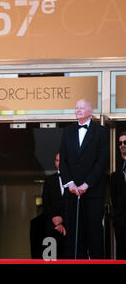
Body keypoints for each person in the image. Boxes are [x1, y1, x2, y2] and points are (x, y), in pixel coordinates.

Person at [59, 99, 109, 259]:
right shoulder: (67, 132)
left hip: (93, 193)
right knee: (74, 235)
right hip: (72, 194)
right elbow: (63, 160)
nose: (78, 110)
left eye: (81, 107)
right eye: (76, 108)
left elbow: (102, 161)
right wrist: (71, 183)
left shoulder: (102, 132)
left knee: (94, 234)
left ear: (90, 111)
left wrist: (87, 184)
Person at [42, 153, 66, 258]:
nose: (59, 163)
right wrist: (55, 218)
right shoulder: (49, 181)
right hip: (52, 228)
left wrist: (63, 219)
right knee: (51, 258)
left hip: (70, 226)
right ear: (55, 163)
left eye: (61, 160)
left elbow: (75, 204)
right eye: (57, 160)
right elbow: (45, 203)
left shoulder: (75, 181)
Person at [110, 131, 126, 259]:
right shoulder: (116, 173)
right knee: (121, 253)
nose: (122, 145)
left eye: (125, 142)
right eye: (120, 143)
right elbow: (114, 198)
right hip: (121, 221)